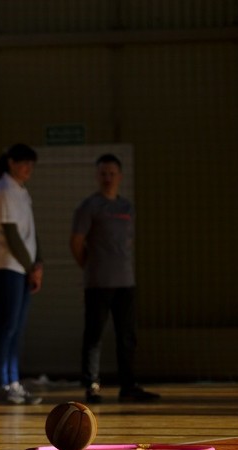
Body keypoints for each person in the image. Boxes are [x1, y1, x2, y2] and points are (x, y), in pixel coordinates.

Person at [69, 153, 159, 403]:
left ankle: (128, 385)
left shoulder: (127, 208)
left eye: (112, 173)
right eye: (103, 173)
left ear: (120, 176)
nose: (108, 178)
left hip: (125, 281)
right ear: (97, 177)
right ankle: (92, 385)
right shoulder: (89, 207)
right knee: (94, 334)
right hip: (98, 281)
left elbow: (126, 241)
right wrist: (90, 266)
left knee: (127, 335)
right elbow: (76, 243)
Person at [0, 143, 43, 405]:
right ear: (10, 162)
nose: (28, 169)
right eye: (23, 163)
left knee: (17, 327)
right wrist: (30, 266)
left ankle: (15, 382)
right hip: (8, 266)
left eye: (31, 165)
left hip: (23, 267)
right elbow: (12, 235)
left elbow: (31, 233)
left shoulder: (22, 191)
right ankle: (4, 382)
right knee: (8, 326)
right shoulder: (3, 190)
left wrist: (37, 263)